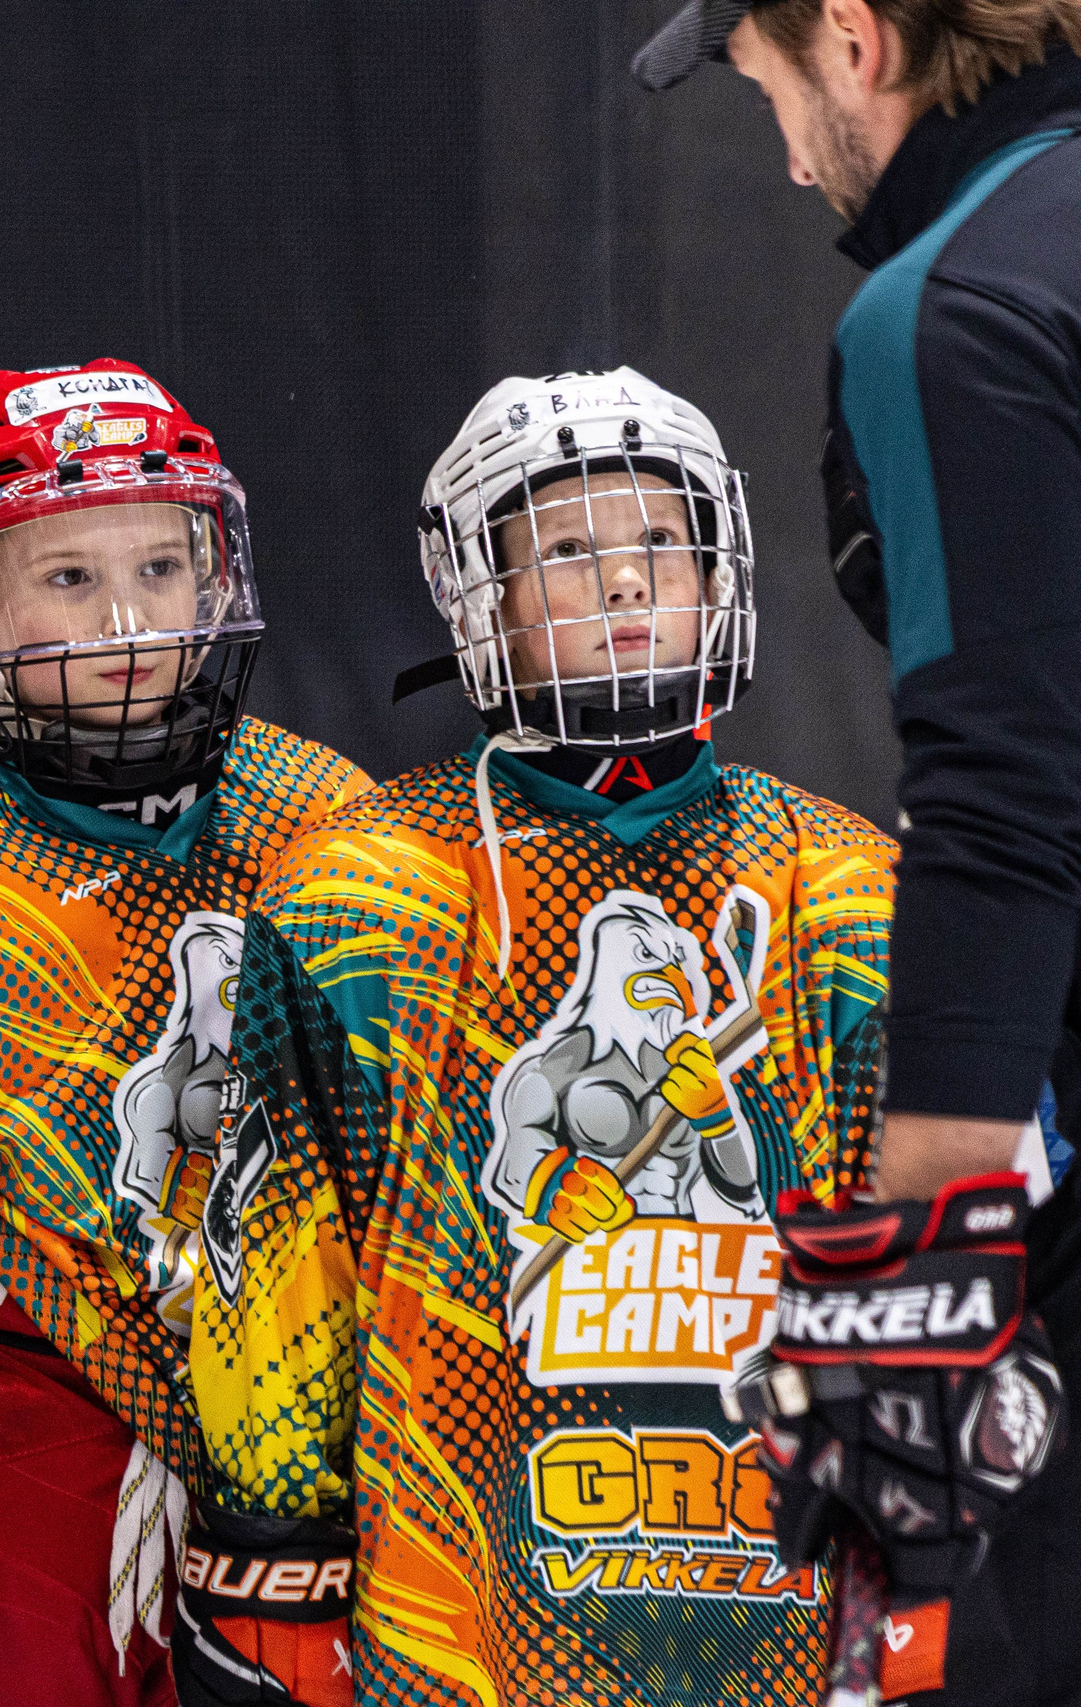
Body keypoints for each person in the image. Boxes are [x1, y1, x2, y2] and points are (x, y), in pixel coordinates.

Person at [180, 369, 903, 1705]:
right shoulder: (363, 889)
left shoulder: (845, 884)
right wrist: (268, 1535)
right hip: (467, 1594)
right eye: (569, 551)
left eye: (659, 547)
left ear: (720, 574)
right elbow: (284, 1241)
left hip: (785, 1580)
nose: (626, 584)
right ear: (480, 595)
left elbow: (901, 1246)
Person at [631, 5, 1081, 1695]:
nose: (790, 153)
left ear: (851, 35)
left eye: (767, 92)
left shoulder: (950, 308)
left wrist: (925, 1265)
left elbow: (1005, 798)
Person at [0, 360, 371, 1707]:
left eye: (163, 572)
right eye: (67, 580)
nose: (129, 621)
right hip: (39, 1428)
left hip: (322, 1449)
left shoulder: (333, 824)